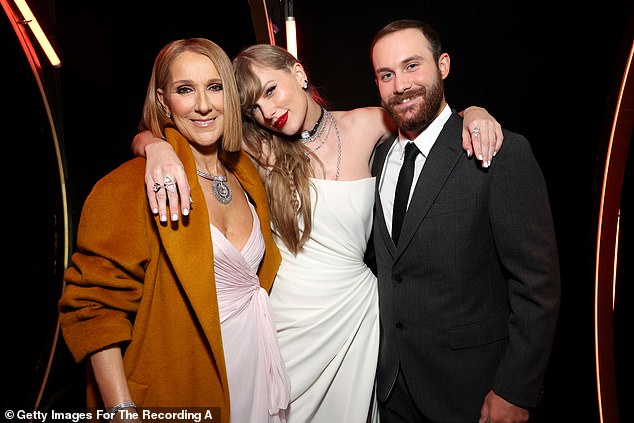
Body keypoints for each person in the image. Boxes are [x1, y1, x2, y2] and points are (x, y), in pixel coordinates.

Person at [132, 44, 503, 422]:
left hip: (354, 318)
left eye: (271, 91)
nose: (268, 112)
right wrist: (156, 147)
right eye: (253, 108)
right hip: (284, 322)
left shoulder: (369, 123)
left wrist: (475, 113)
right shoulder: (253, 146)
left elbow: (432, 121)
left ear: (298, 73)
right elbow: (155, 133)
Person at [58, 38, 290, 423]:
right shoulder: (131, 186)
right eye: (186, 90)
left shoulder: (245, 173)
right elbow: (93, 308)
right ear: (164, 101)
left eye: (214, 87)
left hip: (256, 367)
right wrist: (121, 411)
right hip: (184, 385)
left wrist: (151, 143)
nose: (203, 104)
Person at [369, 19, 561, 423]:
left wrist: (515, 389)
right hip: (391, 392)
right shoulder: (378, 157)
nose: (400, 85)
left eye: (411, 66)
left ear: (443, 65)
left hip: (472, 394)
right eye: (386, 74)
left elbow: (537, 285)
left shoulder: (498, 151)